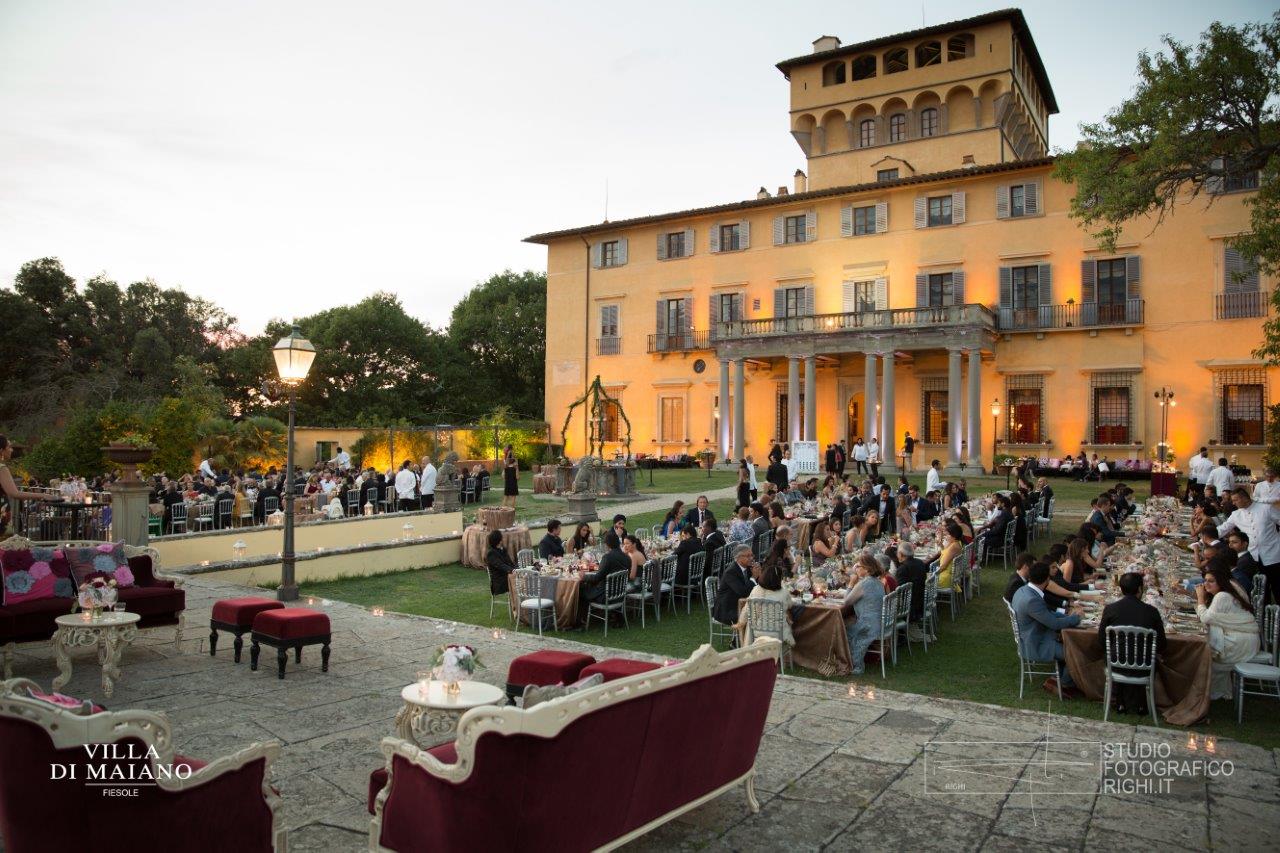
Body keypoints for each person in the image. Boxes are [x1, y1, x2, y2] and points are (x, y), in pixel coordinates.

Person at [1097, 571, 1167, 715]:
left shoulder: (1110, 609)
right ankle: (1142, 703)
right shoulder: (1152, 611)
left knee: (1118, 653)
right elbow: (1161, 643)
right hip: (1145, 666)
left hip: (1115, 664)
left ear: (1121, 589)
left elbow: (1102, 640)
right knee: (1143, 655)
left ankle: (1120, 701)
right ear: (1140, 589)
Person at [1011, 561, 1083, 698]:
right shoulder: (1032, 599)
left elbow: (1046, 615)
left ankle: (1057, 678)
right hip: (1035, 644)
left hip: (1032, 637)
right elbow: (1054, 624)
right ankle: (1065, 685)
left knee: (1069, 643)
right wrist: (1076, 618)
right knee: (1074, 651)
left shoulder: (1024, 590)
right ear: (1047, 580)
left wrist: (1067, 615)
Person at [1195, 563, 1260, 699]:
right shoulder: (1225, 593)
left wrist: (1200, 598)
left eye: (1211, 581)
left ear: (1221, 582)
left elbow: (1206, 617)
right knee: (1208, 642)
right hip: (1245, 638)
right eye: (1205, 580)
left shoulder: (1222, 596)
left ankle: (1203, 691)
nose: (1206, 584)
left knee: (1205, 651)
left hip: (1241, 643)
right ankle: (1216, 690)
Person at [1217, 486, 1280, 605]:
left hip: (1274, 554)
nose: (1233, 503)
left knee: (1277, 587)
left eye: (1236, 500)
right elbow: (1223, 528)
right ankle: (1262, 618)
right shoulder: (1236, 514)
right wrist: (1205, 536)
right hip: (1253, 556)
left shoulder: (1266, 508)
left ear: (1245, 498)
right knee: (1259, 590)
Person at [842, 554, 886, 675]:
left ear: (866, 569)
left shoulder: (864, 584)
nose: (856, 568)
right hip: (879, 622)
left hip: (868, 626)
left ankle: (849, 662)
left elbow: (847, 602)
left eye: (858, 566)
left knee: (839, 627)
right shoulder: (878, 582)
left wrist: (851, 583)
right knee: (848, 621)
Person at [737, 561, 794, 647]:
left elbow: (746, 609)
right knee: (788, 619)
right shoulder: (783, 592)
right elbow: (790, 605)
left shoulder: (755, 590)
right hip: (778, 634)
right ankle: (783, 657)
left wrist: (740, 623)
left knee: (751, 619)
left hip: (757, 633)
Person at [0, 435, 49, 532]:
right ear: (1, 450)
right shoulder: (2, 468)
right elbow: (14, 493)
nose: (12, 450)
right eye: (9, 447)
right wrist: (43, 495)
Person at [580, 531, 631, 610]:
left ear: (607, 545)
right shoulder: (627, 557)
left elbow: (598, 577)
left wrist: (584, 577)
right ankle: (615, 614)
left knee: (580, 590)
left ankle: (581, 619)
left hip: (606, 595)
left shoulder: (607, 557)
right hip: (620, 594)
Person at [713, 544, 758, 628]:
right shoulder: (731, 572)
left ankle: (748, 638)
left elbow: (753, 587)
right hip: (727, 609)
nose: (751, 558)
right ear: (739, 558)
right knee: (753, 615)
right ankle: (740, 640)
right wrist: (753, 577)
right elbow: (743, 592)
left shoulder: (748, 568)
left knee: (759, 612)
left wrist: (760, 576)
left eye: (752, 555)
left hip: (740, 604)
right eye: (748, 556)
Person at [894, 542, 930, 641]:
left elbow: (899, 591)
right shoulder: (920, 563)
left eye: (897, 553)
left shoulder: (903, 569)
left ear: (901, 554)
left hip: (910, 606)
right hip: (921, 600)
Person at [1226, 529, 1260, 594]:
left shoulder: (1243, 562)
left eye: (1234, 542)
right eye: (1229, 542)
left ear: (1244, 544)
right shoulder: (1243, 558)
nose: (1230, 545)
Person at [936, 522, 966, 594]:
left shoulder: (953, 547)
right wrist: (941, 545)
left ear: (954, 536)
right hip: (949, 575)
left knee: (922, 579)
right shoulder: (955, 543)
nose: (945, 536)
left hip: (945, 578)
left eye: (947, 535)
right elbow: (945, 552)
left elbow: (943, 566)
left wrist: (933, 574)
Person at [485, 529, 517, 595]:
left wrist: (517, 568)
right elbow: (501, 565)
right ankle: (517, 603)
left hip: (508, 577)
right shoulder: (491, 553)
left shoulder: (503, 549)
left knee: (524, 579)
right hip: (500, 583)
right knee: (520, 583)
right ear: (499, 541)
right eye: (502, 538)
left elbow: (510, 563)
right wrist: (512, 570)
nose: (503, 539)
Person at [502, 444, 518, 509]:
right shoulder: (506, 455)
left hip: (511, 472)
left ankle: (510, 507)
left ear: (508, 449)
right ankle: (506, 507)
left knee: (512, 492)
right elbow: (506, 465)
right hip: (509, 472)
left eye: (505, 447)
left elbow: (515, 464)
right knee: (509, 492)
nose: (503, 449)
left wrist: (517, 473)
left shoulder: (511, 454)